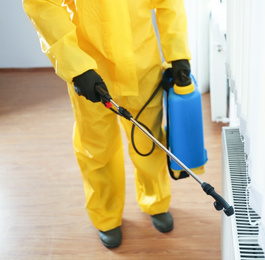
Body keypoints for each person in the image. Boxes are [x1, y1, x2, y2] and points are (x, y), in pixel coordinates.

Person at [23, 0, 193, 248]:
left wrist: (177, 54)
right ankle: (106, 216)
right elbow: (43, 6)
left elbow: (169, 3)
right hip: (92, 70)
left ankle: (156, 201)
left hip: (142, 65)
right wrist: (76, 65)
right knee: (96, 148)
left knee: (149, 140)